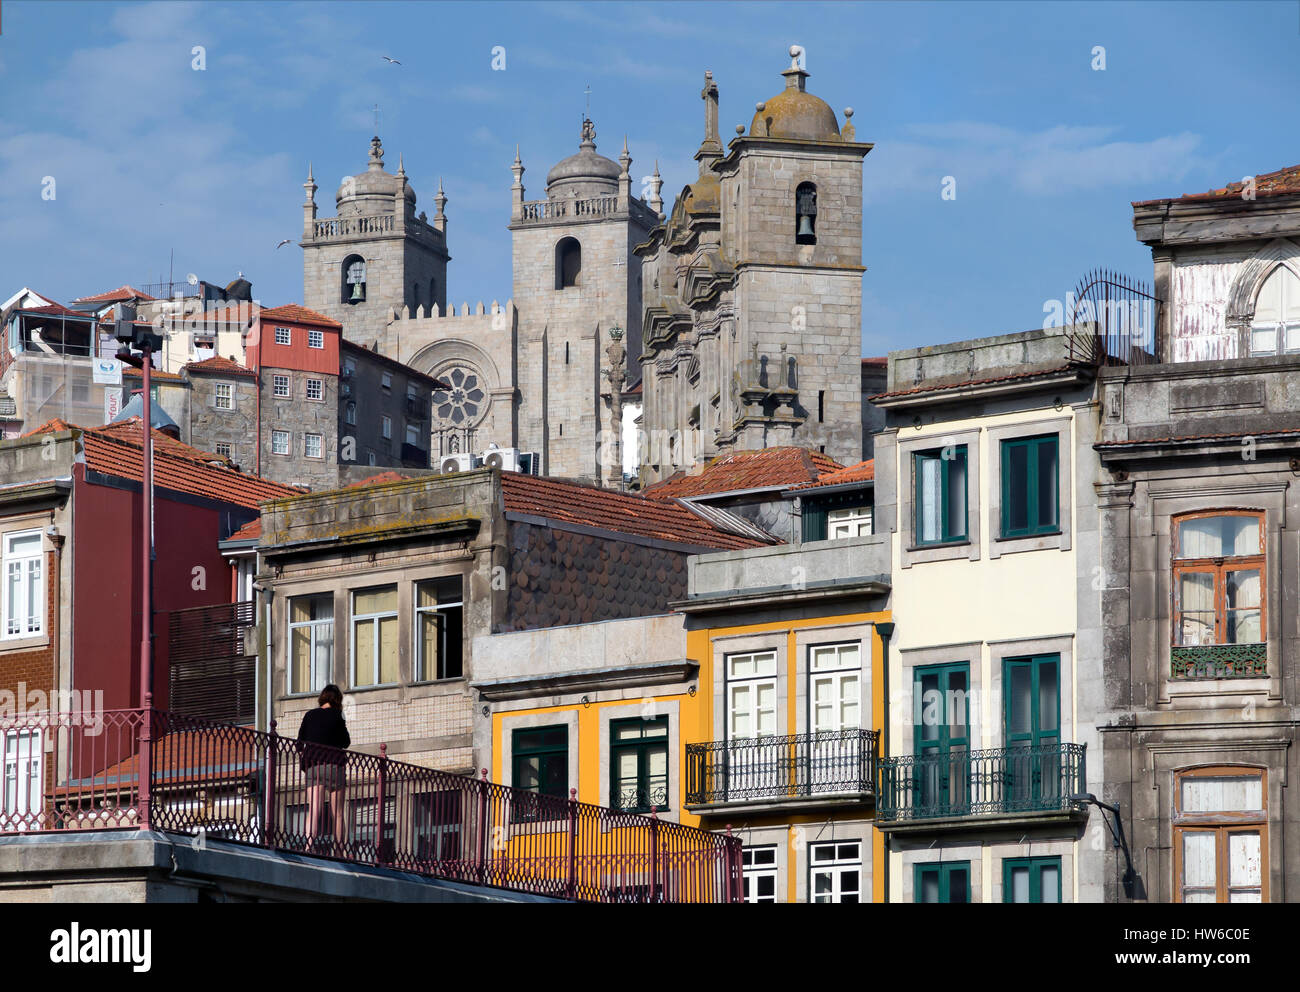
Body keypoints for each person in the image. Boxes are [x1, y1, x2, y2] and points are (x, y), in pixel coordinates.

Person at [296, 685, 351, 857]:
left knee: (314, 810)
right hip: (335, 766)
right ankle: (340, 850)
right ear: (337, 700)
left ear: (322, 698)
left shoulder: (309, 715)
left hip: (314, 766)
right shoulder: (338, 716)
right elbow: (346, 741)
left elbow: (299, 744)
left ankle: (309, 846)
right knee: (339, 813)